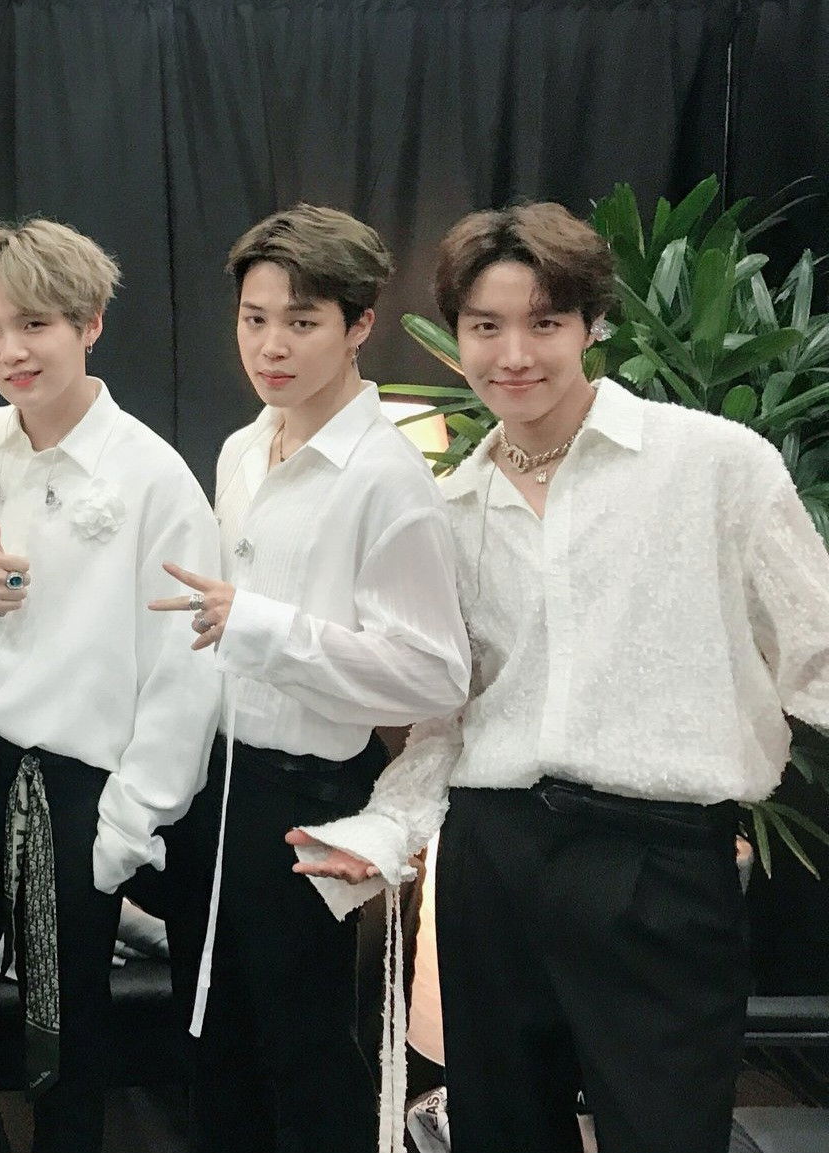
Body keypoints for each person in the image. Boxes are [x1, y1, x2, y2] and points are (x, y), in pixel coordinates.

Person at [293, 201, 829, 1152]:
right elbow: (448, 719)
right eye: (485, 326)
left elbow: (816, 650)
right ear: (456, 335)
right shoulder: (450, 510)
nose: (514, 355)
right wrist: (384, 829)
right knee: (500, 1132)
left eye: (544, 322)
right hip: (493, 860)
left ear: (592, 324)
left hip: (662, 865)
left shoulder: (713, 465)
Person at [147, 203, 469, 1152]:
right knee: (213, 1048)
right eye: (255, 319)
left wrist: (262, 627)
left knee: (310, 1067)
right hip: (216, 788)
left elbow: (432, 676)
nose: (272, 345)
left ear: (360, 323)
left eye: (303, 320)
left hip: (311, 801)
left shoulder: (388, 478)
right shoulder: (243, 448)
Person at [0, 218, 221, 1153]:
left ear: (90, 323)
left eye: (35, 325)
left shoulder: (152, 475)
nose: (11, 351)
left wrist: (130, 823)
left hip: (69, 791)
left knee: (64, 1038)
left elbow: (186, 673)